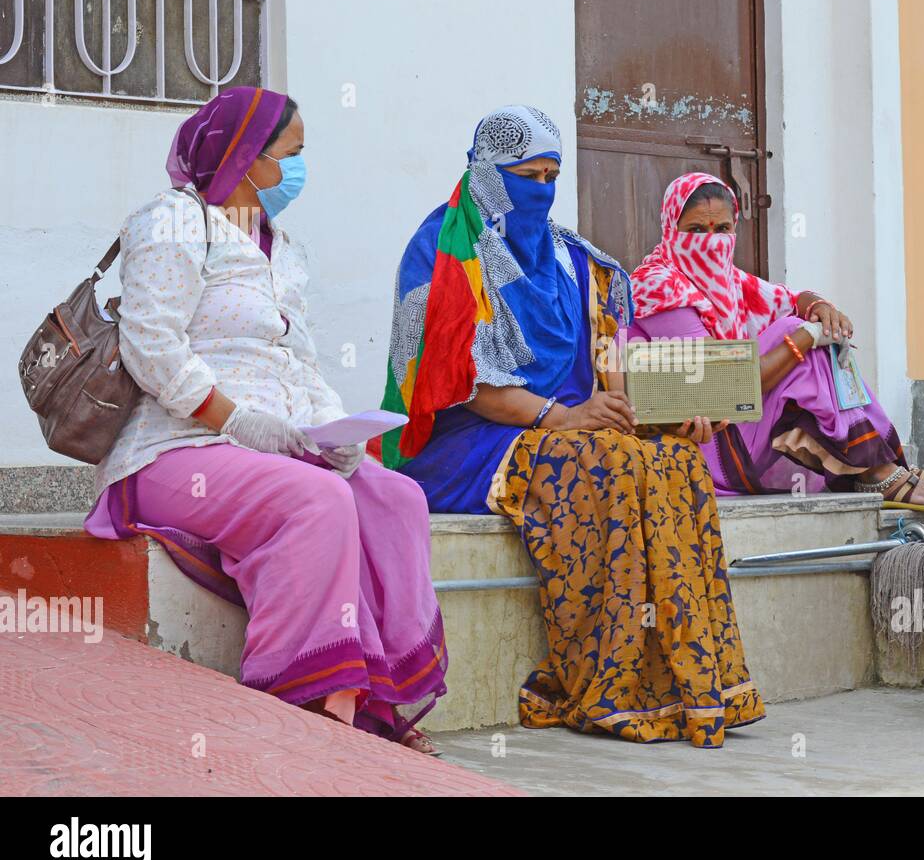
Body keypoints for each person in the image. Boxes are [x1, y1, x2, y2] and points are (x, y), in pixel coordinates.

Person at [374, 106, 764, 747]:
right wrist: (568, 418)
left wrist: (644, 416)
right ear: (488, 174)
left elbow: (607, 352)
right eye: (529, 175)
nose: (544, 190)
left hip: (569, 425)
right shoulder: (446, 249)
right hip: (465, 439)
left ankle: (694, 683)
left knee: (671, 464)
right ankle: (606, 684)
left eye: (553, 175)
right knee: (601, 467)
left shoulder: (573, 259)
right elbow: (463, 381)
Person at [83, 86, 448, 754]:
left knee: (394, 495)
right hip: (173, 449)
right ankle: (305, 698)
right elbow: (150, 346)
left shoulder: (284, 249)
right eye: (292, 154)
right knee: (316, 500)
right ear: (247, 156)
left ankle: (376, 698)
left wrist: (335, 432)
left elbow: (299, 363)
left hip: (271, 448)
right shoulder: (173, 221)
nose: (300, 169)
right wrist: (236, 420)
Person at [628, 172, 924, 506]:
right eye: (696, 230)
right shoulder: (658, 285)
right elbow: (725, 384)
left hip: (737, 430)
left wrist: (821, 309)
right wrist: (808, 335)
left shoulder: (731, 283)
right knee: (795, 338)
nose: (712, 242)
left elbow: (793, 299)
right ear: (671, 229)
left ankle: (879, 466)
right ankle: (876, 470)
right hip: (703, 444)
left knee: (807, 337)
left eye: (722, 229)